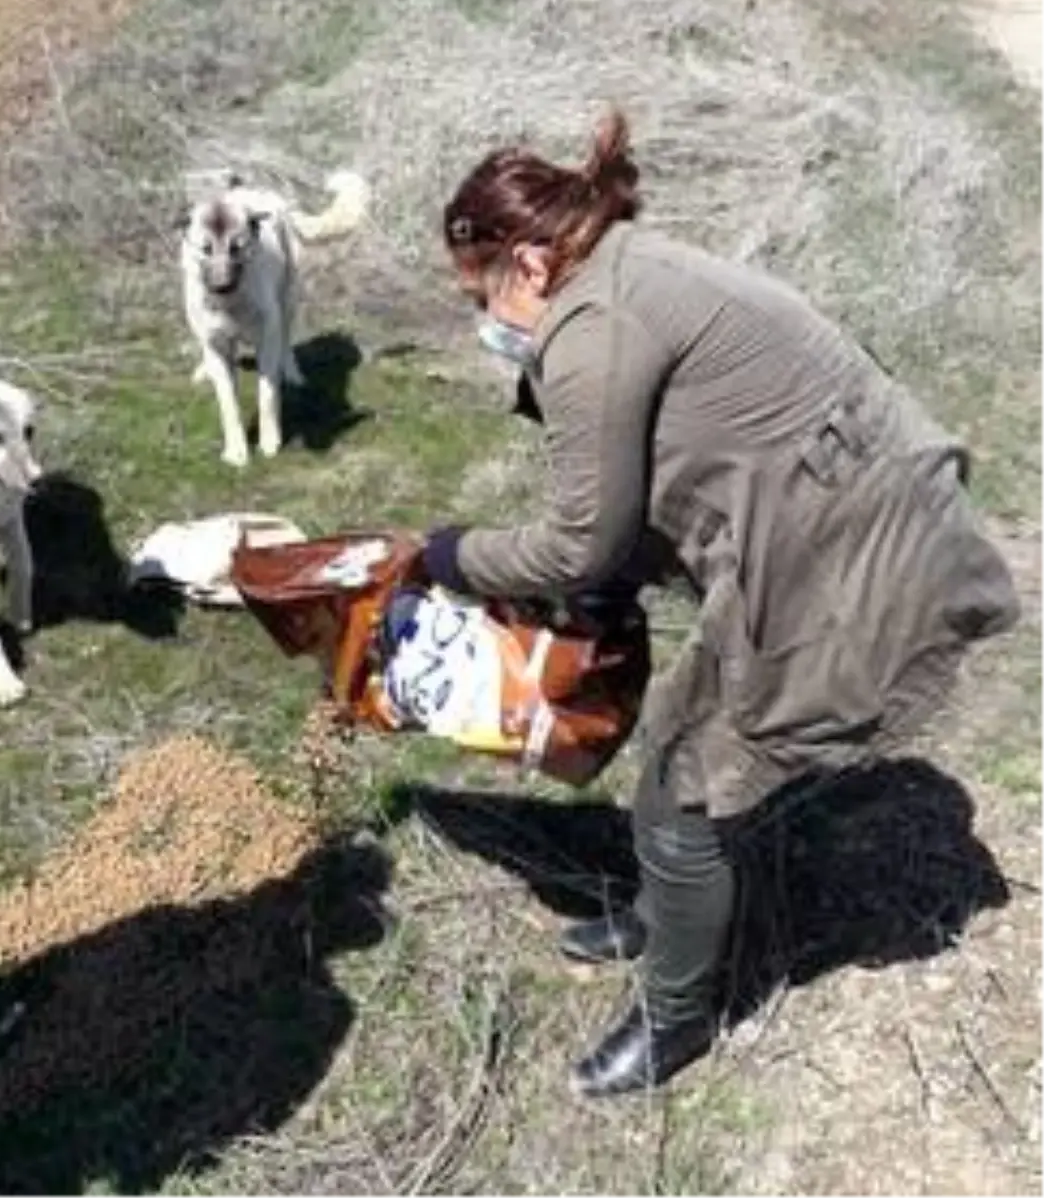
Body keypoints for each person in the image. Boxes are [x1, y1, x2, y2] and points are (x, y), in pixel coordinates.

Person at [415, 108, 1020, 1098]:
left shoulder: (591, 323)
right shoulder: (617, 265)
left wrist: (449, 555)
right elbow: (648, 484)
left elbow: (580, 542)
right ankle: (666, 912)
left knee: (687, 787)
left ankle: (677, 1014)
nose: (480, 319)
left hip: (853, 547)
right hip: (831, 508)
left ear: (525, 263)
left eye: (478, 292)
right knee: (675, 748)